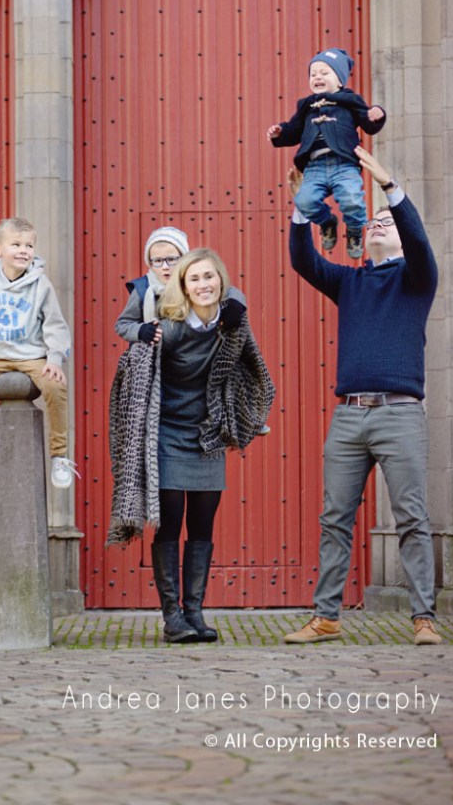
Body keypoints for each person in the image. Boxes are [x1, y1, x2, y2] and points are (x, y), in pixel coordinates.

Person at [284, 146, 442, 646]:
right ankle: (326, 616)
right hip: (350, 418)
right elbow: (303, 260)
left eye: (384, 223)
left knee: (411, 517)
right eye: (370, 220)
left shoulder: (417, 279)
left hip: (400, 414)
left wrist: (390, 188)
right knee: (335, 518)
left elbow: (416, 240)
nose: (375, 224)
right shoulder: (349, 282)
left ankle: (424, 619)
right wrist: (302, 208)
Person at [107, 249, 275, 643]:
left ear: (222, 281)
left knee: (202, 523)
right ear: (183, 286)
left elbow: (255, 367)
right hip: (165, 432)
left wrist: (246, 415)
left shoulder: (232, 322)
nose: (204, 285)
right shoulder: (172, 328)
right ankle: (172, 617)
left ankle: (195, 613)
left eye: (209, 277)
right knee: (171, 521)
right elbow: (134, 367)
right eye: (195, 279)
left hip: (207, 434)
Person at [0, 217, 78, 496]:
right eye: (16, 244)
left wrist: (55, 359)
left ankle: (59, 457)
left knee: (56, 387)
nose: (24, 250)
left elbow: (56, 326)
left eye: (29, 245)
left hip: (34, 357)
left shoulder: (41, 286)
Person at [267, 48, 386, 259]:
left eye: (324, 73)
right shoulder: (306, 106)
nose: (318, 77)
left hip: (344, 164)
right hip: (315, 166)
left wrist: (377, 115)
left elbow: (368, 122)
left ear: (340, 80)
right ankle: (327, 222)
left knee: (351, 198)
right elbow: (294, 130)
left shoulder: (350, 100)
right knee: (304, 200)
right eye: (313, 74)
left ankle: (355, 229)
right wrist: (279, 133)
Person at [115, 225, 249, 345]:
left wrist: (234, 304)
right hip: (155, 355)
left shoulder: (191, 280)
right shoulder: (142, 289)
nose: (165, 267)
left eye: (171, 259)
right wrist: (140, 330)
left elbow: (225, 288)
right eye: (157, 261)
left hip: (190, 348)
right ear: (150, 262)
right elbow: (122, 324)